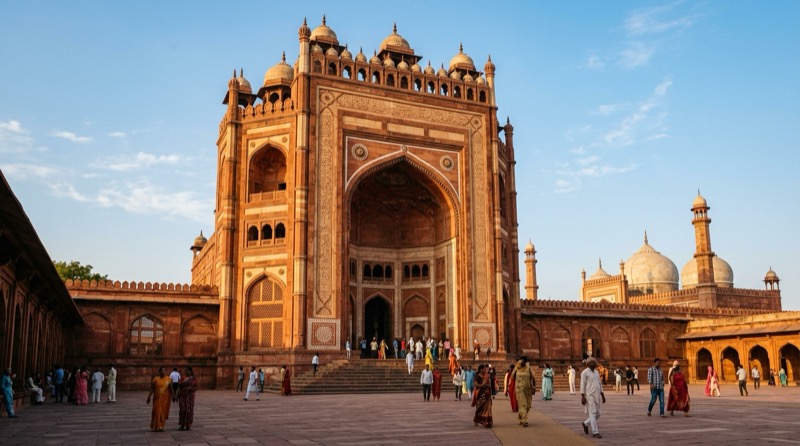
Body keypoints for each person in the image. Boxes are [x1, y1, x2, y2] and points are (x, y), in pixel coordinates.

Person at [580, 357, 606, 439]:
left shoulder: (596, 372)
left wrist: (603, 395)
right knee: (593, 413)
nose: (594, 364)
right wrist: (582, 397)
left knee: (598, 413)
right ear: (588, 364)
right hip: (589, 395)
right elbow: (582, 385)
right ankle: (595, 432)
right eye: (592, 363)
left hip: (597, 395)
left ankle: (586, 423)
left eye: (594, 363)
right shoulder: (584, 373)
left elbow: (599, 384)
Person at [146, 367, 173, 432]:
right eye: (162, 370)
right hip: (156, 398)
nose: (163, 371)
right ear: (159, 372)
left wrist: (174, 396)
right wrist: (149, 397)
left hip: (164, 399)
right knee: (155, 411)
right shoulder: (156, 379)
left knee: (162, 412)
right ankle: (155, 425)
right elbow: (152, 388)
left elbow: (171, 388)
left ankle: (161, 426)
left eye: (164, 370)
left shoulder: (168, 379)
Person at [176, 366, 198, 431]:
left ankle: (188, 424)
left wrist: (191, 389)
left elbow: (197, 387)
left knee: (189, 410)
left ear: (191, 371)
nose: (186, 372)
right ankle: (182, 425)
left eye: (187, 370)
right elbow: (179, 385)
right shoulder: (183, 377)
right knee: (183, 410)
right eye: (185, 370)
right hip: (182, 396)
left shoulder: (194, 378)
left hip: (190, 396)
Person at [514, 357, 535, 427]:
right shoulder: (516, 368)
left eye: (522, 361)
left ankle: (521, 417)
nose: (521, 362)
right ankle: (524, 420)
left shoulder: (529, 368)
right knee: (523, 404)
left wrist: (534, 387)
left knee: (528, 405)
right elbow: (512, 376)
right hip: (519, 389)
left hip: (528, 389)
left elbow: (533, 377)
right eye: (520, 361)